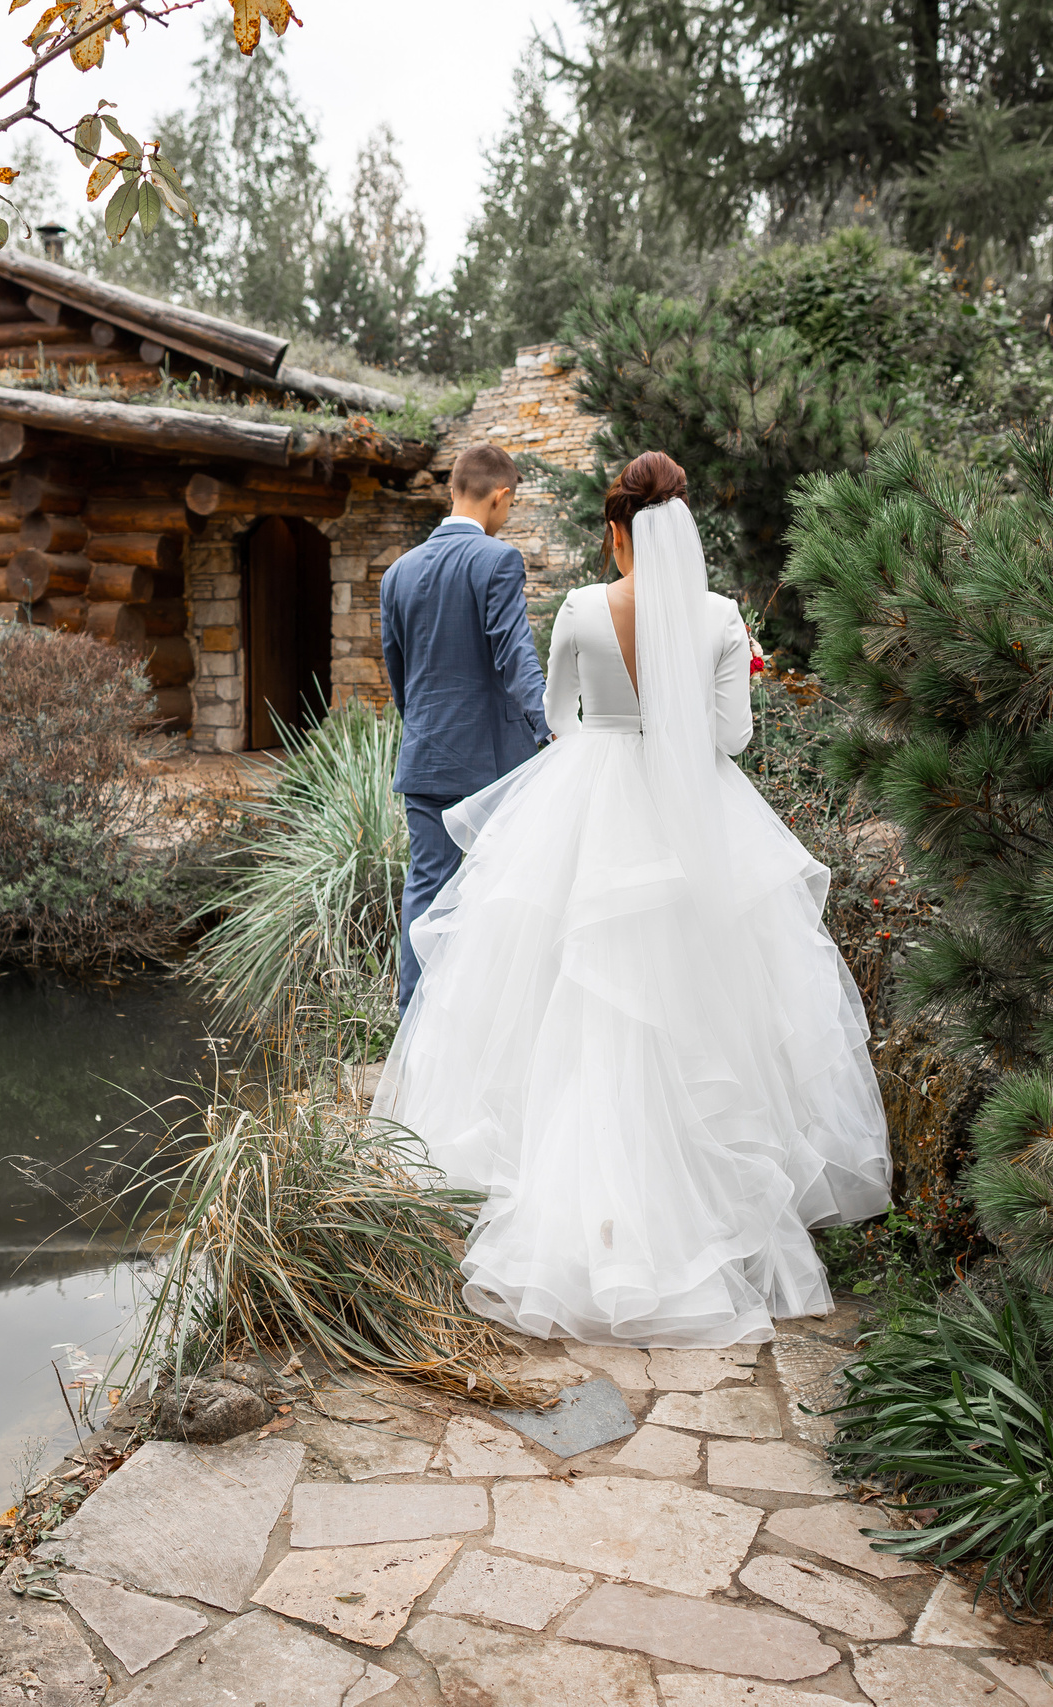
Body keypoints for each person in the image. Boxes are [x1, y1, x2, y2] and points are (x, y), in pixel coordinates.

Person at [375, 451, 891, 1349]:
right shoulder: (725, 619)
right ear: (684, 528)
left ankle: (580, 1209)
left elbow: (559, 714)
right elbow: (730, 735)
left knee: (575, 997)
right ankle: (704, 1203)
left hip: (594, 803)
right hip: (696, 814)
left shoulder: (581, 606)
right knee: (704, 1002)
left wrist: (616, 732)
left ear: (617, 531)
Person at [377, 443, 551, 1013]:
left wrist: (426, 730)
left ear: (454, 488)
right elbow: (515, 656)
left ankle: (414, 1028)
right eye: (511, 503)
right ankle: (489, 1026)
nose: (508, 515)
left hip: (427, 758)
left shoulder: (397, 573)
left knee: (425, 893)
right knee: (502, 894)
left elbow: (399, 675)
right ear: (499, 496)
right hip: (496, 768)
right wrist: (551, 729)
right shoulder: (497, 560)